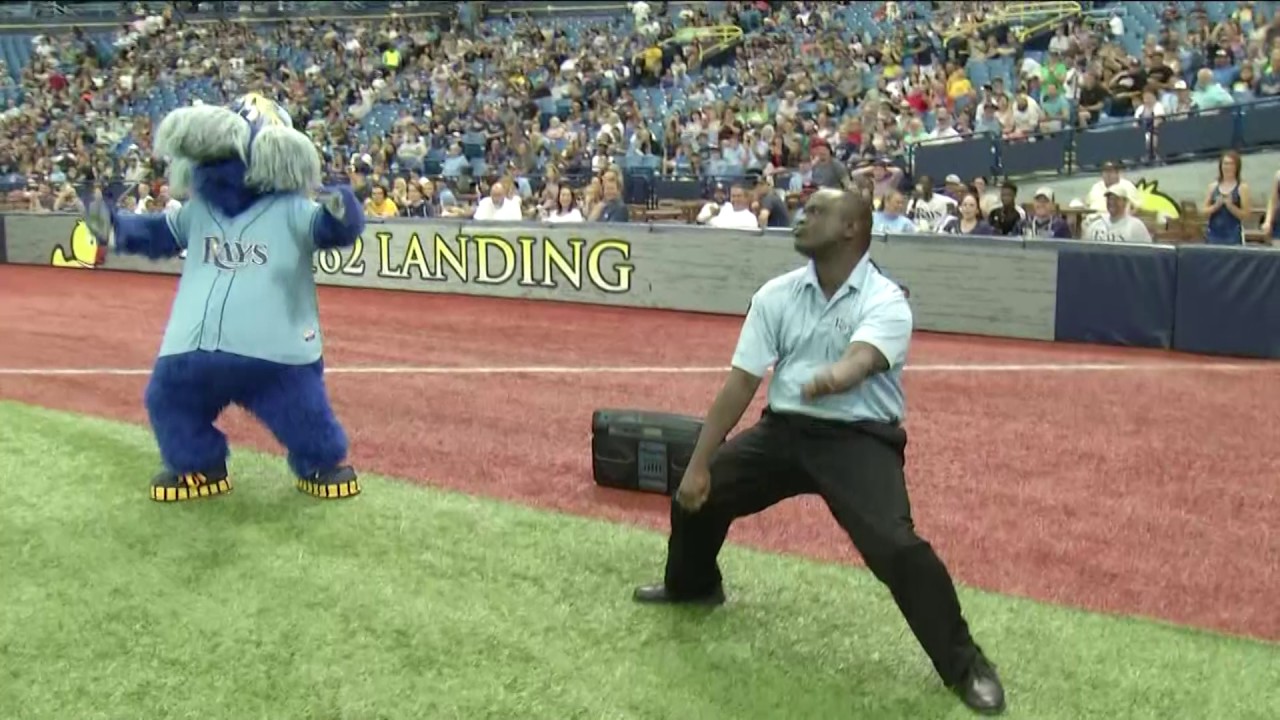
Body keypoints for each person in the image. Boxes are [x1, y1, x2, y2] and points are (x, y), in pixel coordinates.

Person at [632, 187, 1007, 715]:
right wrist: (696, 467)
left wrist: (836, 377)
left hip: (860, 438)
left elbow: (864, 359)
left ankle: (966, 665)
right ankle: (693, 587)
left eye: (816, 212)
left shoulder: (885, 299)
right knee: (700, 490)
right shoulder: (776, 295)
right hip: (784, 431)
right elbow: (740, 385)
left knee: (897, 548)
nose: (800, 218)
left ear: (853, 227)